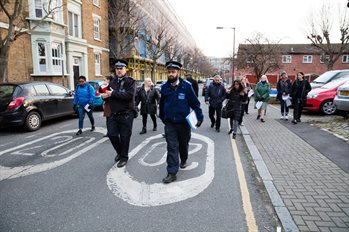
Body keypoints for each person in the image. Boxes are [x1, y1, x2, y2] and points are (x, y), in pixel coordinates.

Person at [159, 60, 203, 184]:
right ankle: (172, 172)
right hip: (170, 124)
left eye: (173, 72)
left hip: (183, 123)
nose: (171, 74)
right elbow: (161, 105)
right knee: (172, 147)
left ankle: (184, 158)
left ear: (179, 72)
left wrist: (199, 117)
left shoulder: (186, 86)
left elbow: (195, 103)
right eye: (169, 72)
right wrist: (163, 117)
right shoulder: (164, 87)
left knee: (183, 145)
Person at [103, 59, 136, 168]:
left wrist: (113, 94)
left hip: (126, 114)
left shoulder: (130, 81)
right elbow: (108, 93)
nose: (119, 70)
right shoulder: (112, 81)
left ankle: (124, 157)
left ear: (125, 69)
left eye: (121, 68)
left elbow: (129, 96)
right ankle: (120, 152)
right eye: (117, 69)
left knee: (125, 137)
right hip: (114, 114)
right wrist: (105, 97)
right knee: (112, 134)